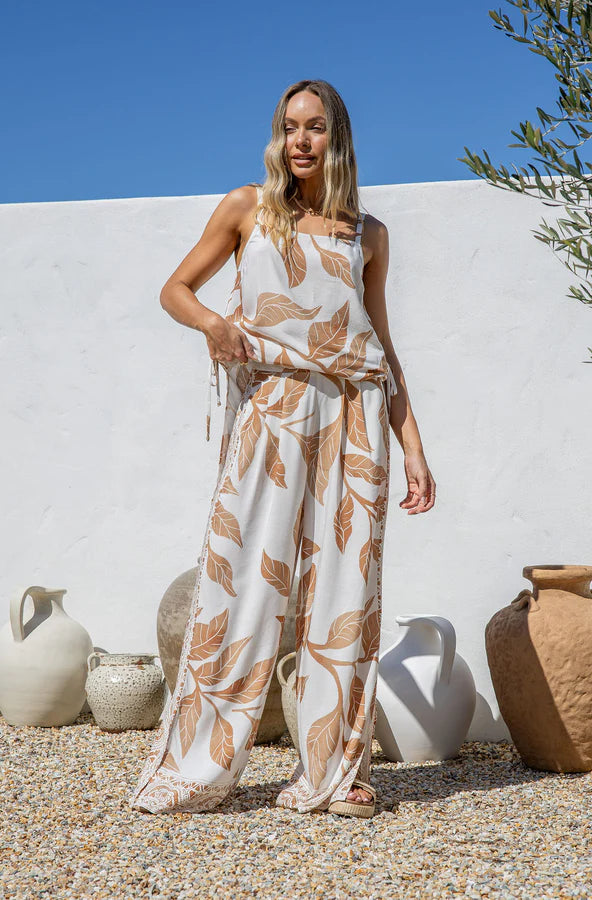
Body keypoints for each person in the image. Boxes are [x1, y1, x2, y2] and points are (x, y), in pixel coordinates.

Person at [129, 79, 436, 819]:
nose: (300, 140)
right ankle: (199, 765)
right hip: (272, 408)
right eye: (289, 126)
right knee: (240, 582)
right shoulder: (249, 209)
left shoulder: (368, 234)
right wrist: (213, 324)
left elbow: (380, 345)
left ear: (338, 137)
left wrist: (414, 446)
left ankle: (335, 771)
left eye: (315, 126)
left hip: (356, 416)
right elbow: (175, 289)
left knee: (346, 593)